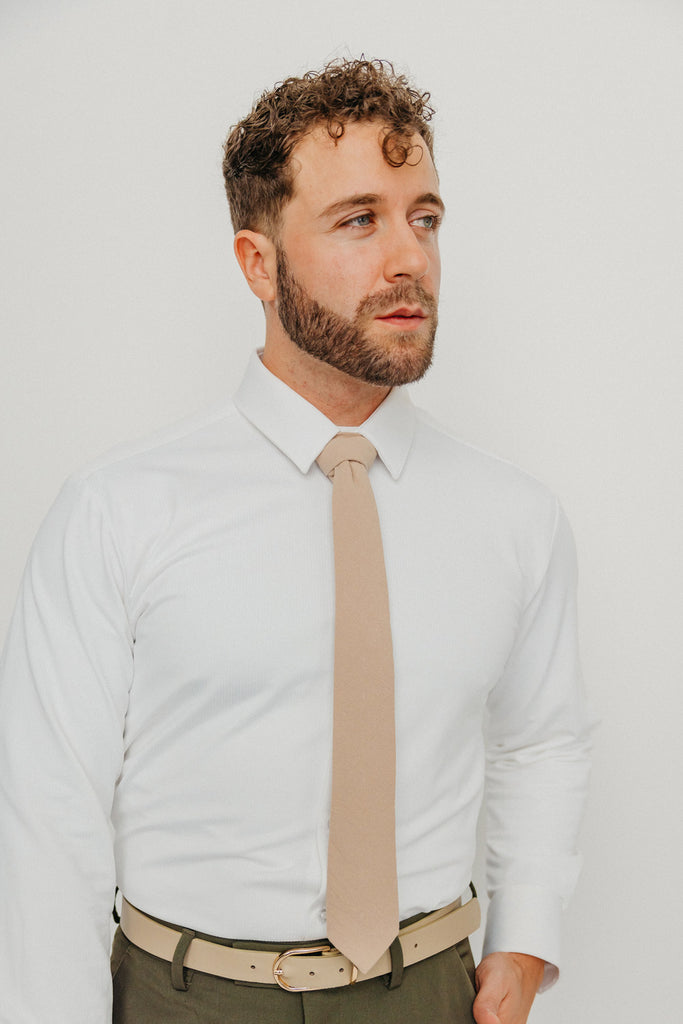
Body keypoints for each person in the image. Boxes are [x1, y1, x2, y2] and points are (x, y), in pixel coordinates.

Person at [0, 59, 591, 1024]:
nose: (408, 258)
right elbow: (45, 809)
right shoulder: (117, 509)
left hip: (427, 991)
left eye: (424, 217)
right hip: (185, 998)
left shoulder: (514, 517)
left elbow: (541, 741)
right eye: (359, 220)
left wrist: (523, 943)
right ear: (258, 264)